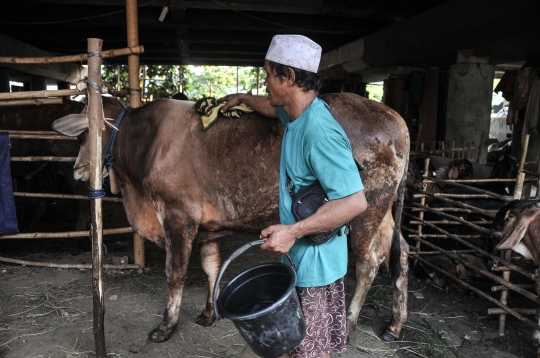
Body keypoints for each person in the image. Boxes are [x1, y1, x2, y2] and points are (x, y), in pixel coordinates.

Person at [221, 34, 367, 358]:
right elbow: (271, 109)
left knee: (309, 351)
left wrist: (292, 231)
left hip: (317, 265)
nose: (265, 83)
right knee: (297, 347)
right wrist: (244, 97)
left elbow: (356, 201)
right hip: (304, 259)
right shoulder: (296, 112)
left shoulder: (320, 132)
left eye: (269, 76)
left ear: (288, 77)